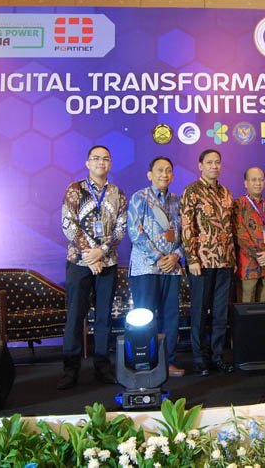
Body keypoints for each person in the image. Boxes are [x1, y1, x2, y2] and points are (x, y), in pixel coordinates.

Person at [58, 145, 128, 390]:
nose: (101, 162)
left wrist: (102, 252)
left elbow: (121, 227)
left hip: (107, 263)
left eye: (105, 159)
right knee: (75, 316)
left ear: (110, 164)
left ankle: (102, 367)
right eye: (96, 158)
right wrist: (90, 254)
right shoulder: (75, 190)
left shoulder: (117, 193)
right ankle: (70, 370)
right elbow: (68, 223)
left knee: (103, 318)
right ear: (87, 163)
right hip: (79, 262)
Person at [128, 156, 185, 378]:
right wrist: (158, 257)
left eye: (168, 170)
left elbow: (187, 234)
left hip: (172, 268)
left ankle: (168, 362)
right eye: (160, 170)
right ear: (149, 174)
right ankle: (144, 362)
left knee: (171, 317)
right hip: (146, 269)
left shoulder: (177, 201)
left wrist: (176, 255)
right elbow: (135, 232)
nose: (164, 174)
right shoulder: (139, 198)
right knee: (145, 317)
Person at [180, 149, 236, 376]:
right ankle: (200, 359)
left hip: (225, 262)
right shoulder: (192, 191)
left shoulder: (226, 192)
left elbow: (230, 228)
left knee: (220, 314)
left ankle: (217, 356)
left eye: (217, 162)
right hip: (201, 263)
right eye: (209, 162)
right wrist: (191, 258)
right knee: (200, 313)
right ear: (200, 165)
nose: (214, 166)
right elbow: (187, 226)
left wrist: (232, 258)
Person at [233, 167, 265, 302]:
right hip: (248, 266)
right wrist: (260, 255)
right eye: (254, 180)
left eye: (261, 180)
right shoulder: (238, 205)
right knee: (246, 306)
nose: (258, 183)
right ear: (246, 183)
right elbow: (240, 234)